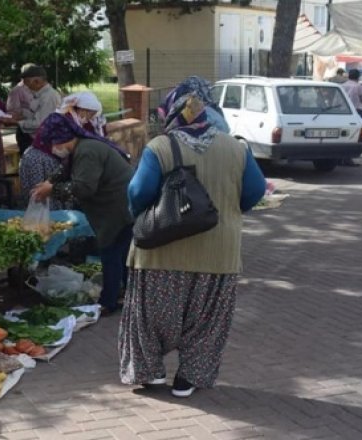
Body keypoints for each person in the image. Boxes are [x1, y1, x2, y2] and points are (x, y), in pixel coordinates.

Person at [119, 76, 266, 398]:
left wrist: (145, 213)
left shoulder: (160, 147)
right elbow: (254, 193)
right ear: (211, 110)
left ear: (171, 110)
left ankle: (151, 373)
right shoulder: (237, 149)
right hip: (218, 250)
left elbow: (138, 192)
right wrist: (226, 209)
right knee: (207, 321)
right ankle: (188, 379)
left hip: (161, 248)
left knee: (150, 318)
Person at [29, 114, 133, 315]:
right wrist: (49, 183)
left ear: (63, 138)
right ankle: (129, 295)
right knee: (120, 254)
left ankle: (109, 302)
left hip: (117, 209)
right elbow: (64, 171)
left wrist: (52, 190)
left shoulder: (87, 151)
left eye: (53, 143)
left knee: (112, 253)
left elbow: (84, 188)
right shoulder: (80, 148)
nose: (52, 148)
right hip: (118, 207)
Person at [14, 65, 62, 154]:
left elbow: (40, 123)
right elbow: (36, 113)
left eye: (27, 83)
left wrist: (17, 122)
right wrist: (22, 115)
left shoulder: (48, 97)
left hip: (40, 141)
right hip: (33, 139)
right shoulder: (41, 94)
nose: (27, 87)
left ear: (37, 81)